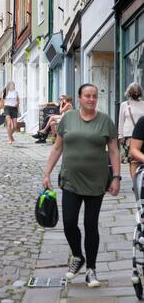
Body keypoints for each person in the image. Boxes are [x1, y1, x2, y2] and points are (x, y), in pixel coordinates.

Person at [42, 83, 120, 288]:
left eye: (94, 96)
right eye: (87, 96)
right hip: (70, 180)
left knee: (90, 225)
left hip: (97, 181)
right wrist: (47, 172)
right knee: (68, 222)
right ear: (79, 98)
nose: (91, 99)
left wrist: (117, 177)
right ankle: (78, 256)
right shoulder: (68, 118)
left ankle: (91, 269)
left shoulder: (105, 121)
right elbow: (58, 147)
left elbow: (113, 151)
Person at [118, 82, 144, 178]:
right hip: (129, 135)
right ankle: (135, 182)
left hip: (141, 135)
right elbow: (121, 121)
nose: (136, 93)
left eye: (138, 92)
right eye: (134, 91)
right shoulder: (124, 105)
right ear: (129, 92)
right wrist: (120, 135)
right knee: (133, 160)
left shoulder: (143, 104)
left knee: (140, 157)